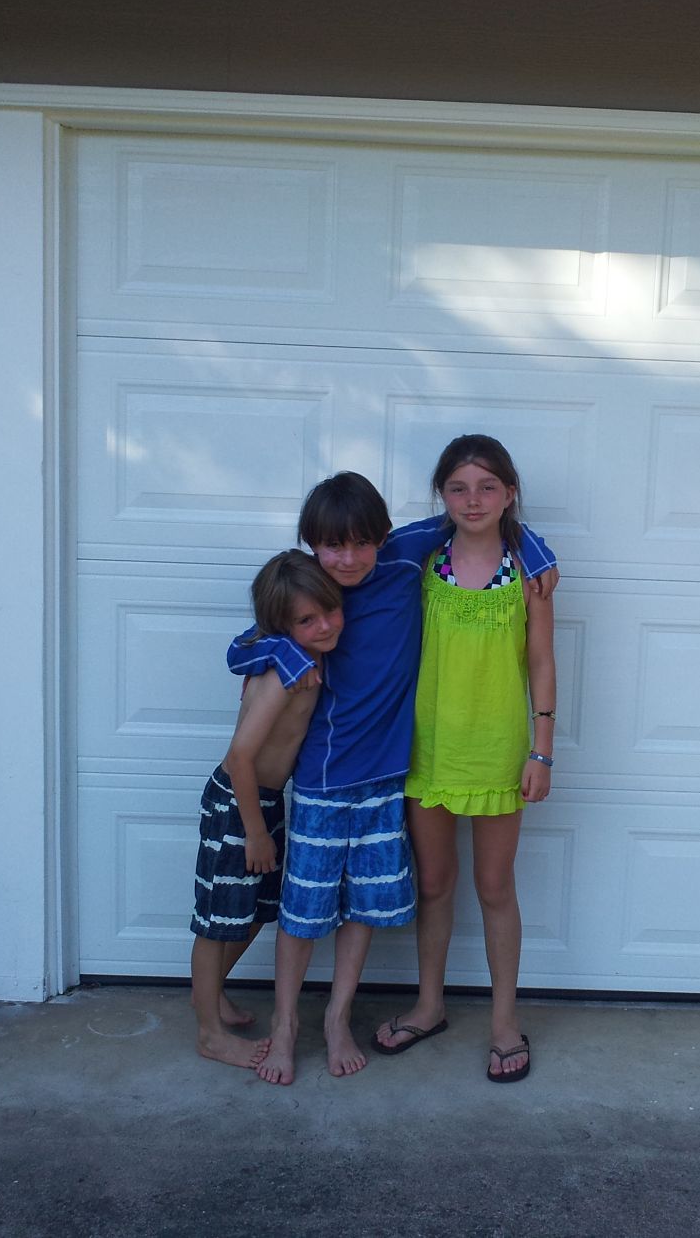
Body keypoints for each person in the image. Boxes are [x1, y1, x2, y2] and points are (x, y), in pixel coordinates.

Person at [228, 470, 558, 1085]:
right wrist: (281, 652)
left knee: (361, 910)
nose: (349, 559)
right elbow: (242, 647)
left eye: (362, 542)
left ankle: (338, 1019)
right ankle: (285, 1026)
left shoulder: (405, 556)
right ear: (311, 545)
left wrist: (536, 549)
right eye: (332, 546)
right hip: (323, 782)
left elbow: (474, 516)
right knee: (303, 914)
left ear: (382, 536)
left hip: (388, 781)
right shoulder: (309, 588)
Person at [372, 435, 554, 1082]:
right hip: (429, 749)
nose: (472, 500)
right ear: (441, 496)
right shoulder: (421, 559)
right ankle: (430, 1005)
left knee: (495, 888)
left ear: (509, 493)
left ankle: (505, 1022)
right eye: (458, 488)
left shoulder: (529, 571)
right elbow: (361, 555)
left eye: (486, 487)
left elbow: (541, 663)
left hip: (498, 753)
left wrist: (542, 750)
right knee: (434, 884)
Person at [189, 550, 343, 1069]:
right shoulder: (283, 674)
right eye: (307, 620)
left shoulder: (301, 658)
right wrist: (255, 832)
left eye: (330, 610)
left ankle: (211, 996)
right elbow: (240, 757)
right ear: (282, 626)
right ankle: (209, 1033)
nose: (324, 626)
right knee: (217, 921)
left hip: (266, 801)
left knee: (255, 912)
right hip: (240, 802)